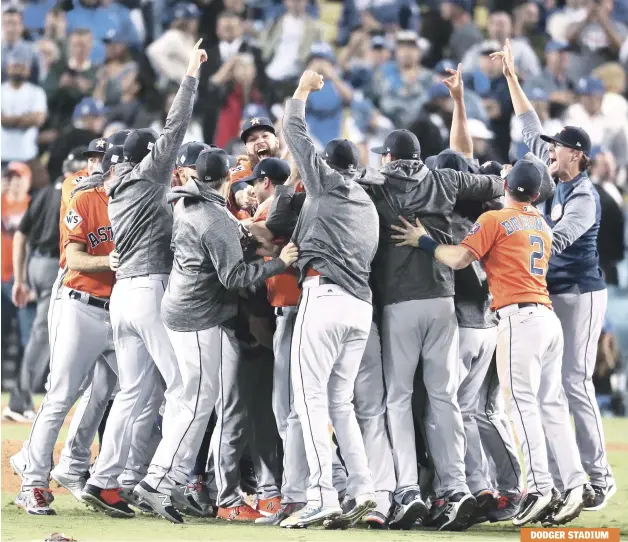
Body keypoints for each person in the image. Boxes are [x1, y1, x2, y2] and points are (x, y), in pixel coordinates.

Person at [390, 159, 588, 527]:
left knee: (521, 408)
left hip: (518, 320)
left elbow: (457, 259)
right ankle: (575, 482)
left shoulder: (494, 219)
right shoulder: (541, 224)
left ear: (507, 184)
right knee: (552, 406)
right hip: (546, 317)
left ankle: (541, 489)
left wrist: (424, 241)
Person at [367, 67, 504, 527]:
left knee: (399, 398)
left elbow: (339, 179)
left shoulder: (380, 186)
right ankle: (456, 486)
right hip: (445, 303)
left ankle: (408, 488)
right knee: (444, 397)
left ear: (388, 157)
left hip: (400, 304)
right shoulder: (444, 181)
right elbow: (490, 180)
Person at [137, 148, 297, 524]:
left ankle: (172, 479)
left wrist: (244, 237)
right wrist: (280, 262)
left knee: (190, 400)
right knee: (195, 402)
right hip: (197, 315)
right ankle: (155, 481)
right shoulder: (212, 217)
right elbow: (235, 278)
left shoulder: (189, 203)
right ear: (226, 178)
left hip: (182, 307)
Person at [81, 40, 206, 519]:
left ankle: (104, 478)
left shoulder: (114, 186)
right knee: (182, 387)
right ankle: (159, 479)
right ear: (148, 155)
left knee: (133, 392)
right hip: (151, 289)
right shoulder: (152, 175)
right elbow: (176, 124)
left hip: (122, 297)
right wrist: (191, 73)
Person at [493, 39, 616, 511]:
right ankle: (571, 476)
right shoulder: (556, 180)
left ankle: (599, 478)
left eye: (561, 150)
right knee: (552, 388)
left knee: (575, 383)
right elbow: (530, 129)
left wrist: (518, 209)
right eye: (555, 148)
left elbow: (556, 240)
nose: (552, 153)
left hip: (582, 295)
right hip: (552, 293)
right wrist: (511, 78)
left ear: (578, 156)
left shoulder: (584, 195)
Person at [279, 69, 380, 529]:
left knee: (310, 401)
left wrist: (300, 92)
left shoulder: (327, 184)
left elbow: (294, 131)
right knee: (340, 403)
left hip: (325, 298)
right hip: (360, 308)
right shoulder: (366, 201)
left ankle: (323, 496)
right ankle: (364, 490)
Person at [11, 145, 120, 516]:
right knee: (60, 394)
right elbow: (72, 256)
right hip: (79, 302)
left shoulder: (133, 197)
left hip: (119, 308)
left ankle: (73, 466)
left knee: (107, 391)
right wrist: (110, 259)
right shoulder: (79, 190)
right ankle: (33, 480)